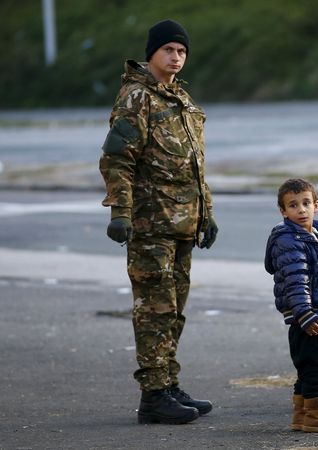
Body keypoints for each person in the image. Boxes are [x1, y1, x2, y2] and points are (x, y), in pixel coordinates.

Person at [99, 19, 219, 425]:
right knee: (154, 309)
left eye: (181, 51)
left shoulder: (180, 101)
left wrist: (207, 214)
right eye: (168, 49)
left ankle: (167, 383)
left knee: (174, 309)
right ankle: (152, 395)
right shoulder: (137, 98)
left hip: (182, 223)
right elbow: (118, 159)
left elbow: (194, 167)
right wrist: (120, 212)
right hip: (151, 226)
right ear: (151, 53)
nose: (176, 56)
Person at [264, 179, 318, 432]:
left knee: (308, 365)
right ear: (283, 211)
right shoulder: (290, 240)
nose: (301, 210)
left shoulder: (315, 236)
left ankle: (301, 413)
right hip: (309, 315)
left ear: (316, 205)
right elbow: (296, 280)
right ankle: (316, 413)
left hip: (315, 312)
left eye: (306, 203)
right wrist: (305, 313)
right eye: (293, 205)